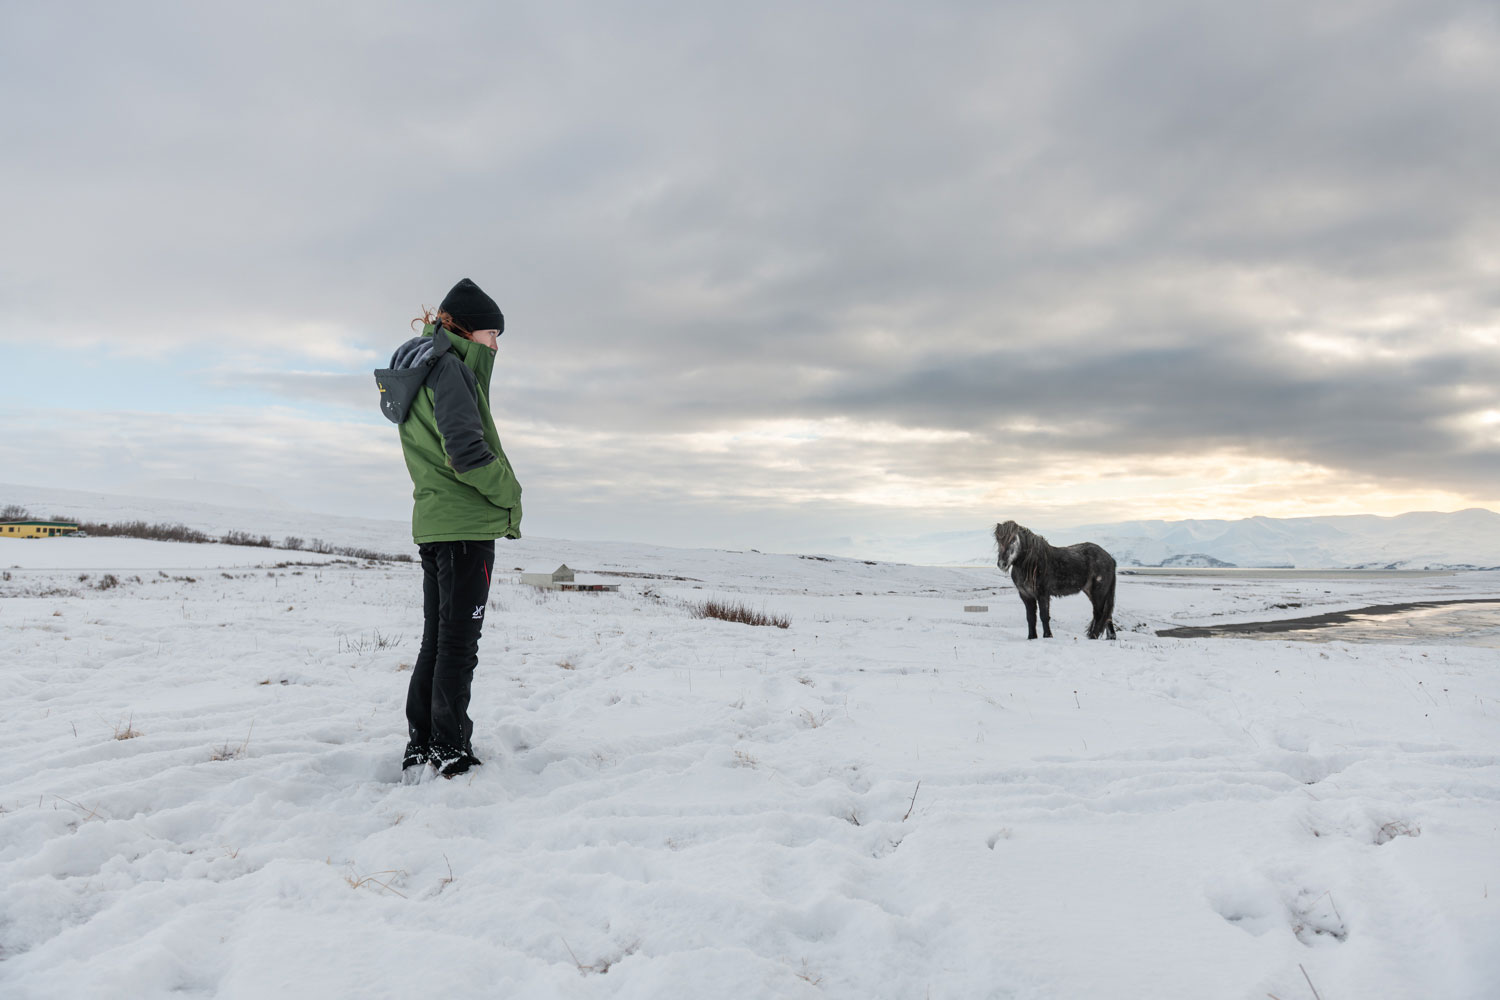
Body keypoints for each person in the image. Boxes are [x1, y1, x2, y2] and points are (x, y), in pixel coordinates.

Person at [374, 278, 522, 779]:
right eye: (491, 334)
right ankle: (450, 748)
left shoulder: (420, 370)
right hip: (464, 527)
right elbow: (467, 454)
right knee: (458, 644)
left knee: (437, 640)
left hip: (437, 526)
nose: (496, 345)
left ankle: (424, 743)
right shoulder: (452, 371)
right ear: (466, 329)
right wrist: (511, 493)